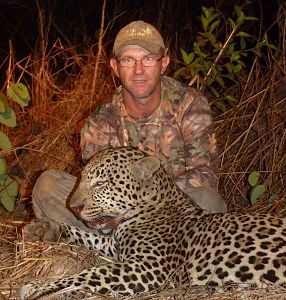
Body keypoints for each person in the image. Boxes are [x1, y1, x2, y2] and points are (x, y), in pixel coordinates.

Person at [32, 21, 227, 232]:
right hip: (118, 214)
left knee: (209, 201)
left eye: (148, 58)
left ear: (164, 62)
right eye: (128, 60)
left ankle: (125, 247)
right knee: (47, 185)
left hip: (174, 211)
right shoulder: (98, 123)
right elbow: (97, 192)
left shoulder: (191, 105)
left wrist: (146, 200)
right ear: (115, 67)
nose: (138, 70)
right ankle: (114, 244)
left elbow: (206, 176)